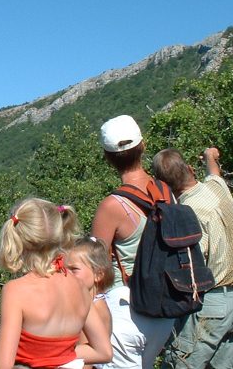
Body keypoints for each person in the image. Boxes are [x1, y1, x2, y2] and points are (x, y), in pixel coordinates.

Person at [90, 115, 175, 369]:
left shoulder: (112, 206)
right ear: (144, 146)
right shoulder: (167, 192)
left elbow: (95, 268)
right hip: (164, 310)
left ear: (108, 157)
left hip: (126, 309)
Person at [152, 147, 233, 369]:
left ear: (164, 186)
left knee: (180, 364)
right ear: (190, 169)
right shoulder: (217, 188)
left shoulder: (187, 213)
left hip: (211, 304)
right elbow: (214, 172)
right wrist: (210, 156)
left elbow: (194, 262)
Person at [0, 198, 112, 369]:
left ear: (18, 239)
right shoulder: (78, 285)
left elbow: (2, 365)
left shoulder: (15, 291)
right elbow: (104, 352)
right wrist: (60, 355)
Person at [66, 237, 115, 369]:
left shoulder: (95, 310)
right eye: (64, 269)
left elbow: (85, 363)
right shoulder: (84, 304)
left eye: (74, 269)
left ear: (98, 274)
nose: (66, 274)